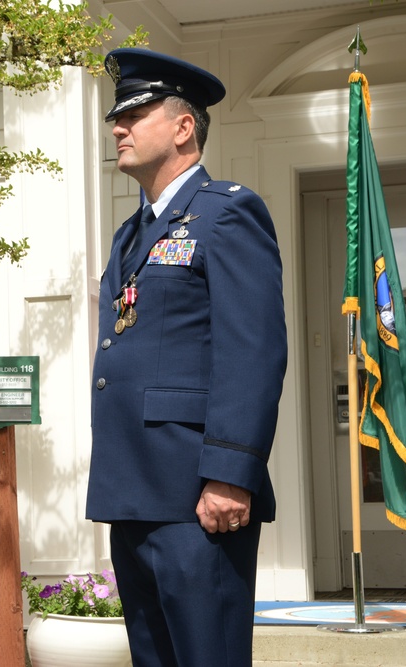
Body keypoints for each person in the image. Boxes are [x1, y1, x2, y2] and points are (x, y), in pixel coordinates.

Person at [85, 48, 287, 667]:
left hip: (199, 496)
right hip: (134, 492)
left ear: (183, 127)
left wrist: (230, 473)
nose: (117, 127)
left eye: (135, 114)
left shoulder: (226, 213)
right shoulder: (130, 233)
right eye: (117, 117)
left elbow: (252, 351)